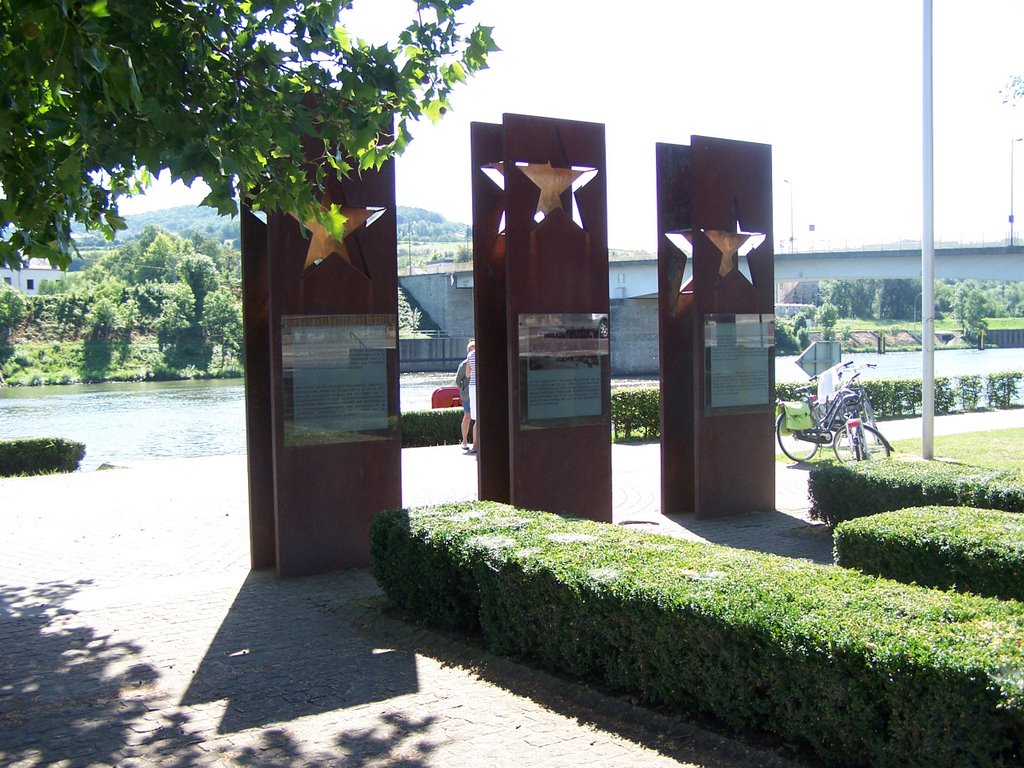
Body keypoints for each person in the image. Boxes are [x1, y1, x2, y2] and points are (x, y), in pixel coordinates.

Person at [455, 340, 474, 451]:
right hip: (467, 395)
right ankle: (465, 440)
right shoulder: (463, 365)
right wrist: (463, 391)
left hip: (476, 393)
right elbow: (458, 381)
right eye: (471, 351)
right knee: (467, 416)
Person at [466, 339, 478, 454]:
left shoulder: (470, 355)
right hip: (481, 386)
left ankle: (475, 445)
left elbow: (467, 374)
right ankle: (477, 444)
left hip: (472, 387)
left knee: (476, 419)